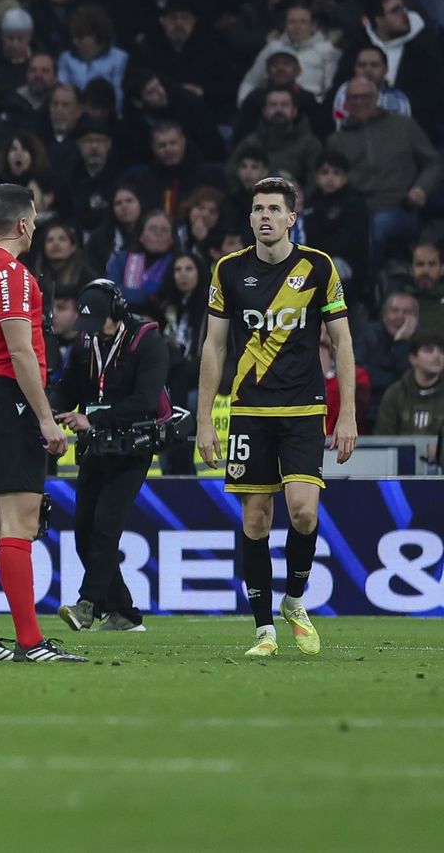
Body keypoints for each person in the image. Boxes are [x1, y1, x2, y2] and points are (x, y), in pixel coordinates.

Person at [196, 176, 358, 658]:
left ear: (292, 218)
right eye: (257, 208)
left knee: (305, 511)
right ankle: (264, 629)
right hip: (248, 410)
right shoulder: (228, 270)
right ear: (249, 218)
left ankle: (294, 600)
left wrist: (346, 413)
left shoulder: (318, 267)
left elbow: (343, 342)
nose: (264, 216)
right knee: (256, 518)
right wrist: (205, 418)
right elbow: (214, 345)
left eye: (273, 209)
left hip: (305, 408)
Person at [0, 182, 83, 663]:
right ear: (24, 224)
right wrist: (45, 418)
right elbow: (20, 350)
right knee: (20, 523)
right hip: (10, 401)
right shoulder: (12, 275)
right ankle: (31, 642)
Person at [53, 280, 169, 634]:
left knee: (106, 526)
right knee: (84, 532)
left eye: (97, 323)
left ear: (117, 313)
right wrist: (48, 415)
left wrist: (95, 418)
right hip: (95, 444)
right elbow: (69, 389)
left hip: (133, 445)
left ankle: (86, 606)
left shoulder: (147, 341)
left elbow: (146, 400)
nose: (90, 332)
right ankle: (124, 614)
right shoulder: (86, 342)